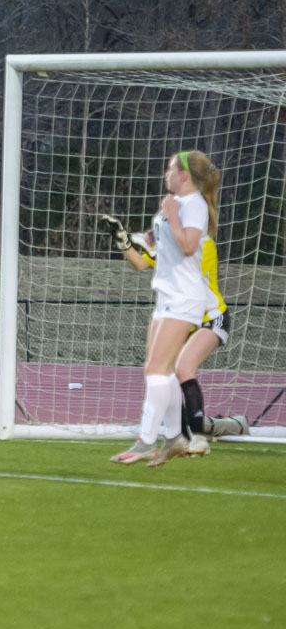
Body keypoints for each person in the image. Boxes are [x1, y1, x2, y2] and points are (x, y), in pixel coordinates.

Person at [102, 180, 247, 459]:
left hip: (210, 319)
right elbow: (140, 263)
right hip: (184, 319)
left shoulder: (201, 245)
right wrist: (123, 240)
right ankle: (188, 434)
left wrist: (147, 240)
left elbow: (177, 259)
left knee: (182, 367)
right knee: (165, 373)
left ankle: (199, 437)